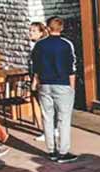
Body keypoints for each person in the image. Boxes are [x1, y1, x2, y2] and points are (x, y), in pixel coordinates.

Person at [30, 17, 78, 163]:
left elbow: (36, 66)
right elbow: (72, 67)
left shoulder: (39, 45)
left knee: (47, 117)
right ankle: (63, 152)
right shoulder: (66, 44)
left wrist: (36, 83)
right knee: (63, 119)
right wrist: (72, 88)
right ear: (61, 28)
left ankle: (51, 150)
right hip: (62, 83)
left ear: (48, 29)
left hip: (44, 84)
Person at [27, 23, 48, 140]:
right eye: (30, 30)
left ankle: (45, 131)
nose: (30, 33)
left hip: (40, 80)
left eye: (34, 31)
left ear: (41, 33)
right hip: (39, 79)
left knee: (42, 105)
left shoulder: (39, 47)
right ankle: (44, 129)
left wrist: (34, 81)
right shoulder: (37, 46)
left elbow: (38, 66)